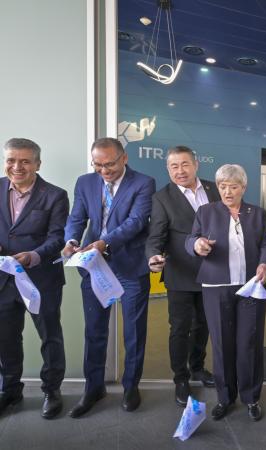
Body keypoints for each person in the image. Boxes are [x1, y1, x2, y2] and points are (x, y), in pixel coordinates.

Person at [63, 137, 155, 417]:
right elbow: (77, 217)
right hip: (94, 266)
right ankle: (93, 388)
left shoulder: (143, 183)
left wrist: (104, 243)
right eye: (98, 165)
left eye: (110, 164)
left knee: (133, 332)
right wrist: (71, 240)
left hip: (130, 266)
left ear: (124, 158)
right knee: (94, 330)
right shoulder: (85, 182)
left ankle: (130, 386)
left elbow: (136, 222)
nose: (104, 171)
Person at [185, 164, 266, 421]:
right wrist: (197, 244)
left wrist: (265, 263)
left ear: (243, 188)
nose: (227, 192)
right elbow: (191, 239)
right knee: (222, 344)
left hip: (251, 286)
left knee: (249, 342)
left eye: (233, 187)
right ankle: (225, 398)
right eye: (222, 186)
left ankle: (251, 397)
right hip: (216, 286)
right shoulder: (206, 212)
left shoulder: (257, 213)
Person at [0, 138, 69, 419]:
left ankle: (52, 391)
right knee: (6, 338)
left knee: (50, 337)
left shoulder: (55, 195)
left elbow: (57, 238)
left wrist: (33, 256)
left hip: (42, 279)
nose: (17, 167)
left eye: (25, 161)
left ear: (37, 164)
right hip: (3, 281)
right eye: (11, 160)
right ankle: (10, 390)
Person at [146, 145, 218, 406]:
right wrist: (153, 256)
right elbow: (156, 236)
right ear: (168, 169)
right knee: (180, 327)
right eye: (174, 166)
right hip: (180, 272)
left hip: (213, 271)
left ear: (196, 164)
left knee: (204, 324)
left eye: (185, 164)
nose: (180, 171)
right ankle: (181, 378)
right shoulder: (162, 197)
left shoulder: (214, 189)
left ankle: (198, 367)